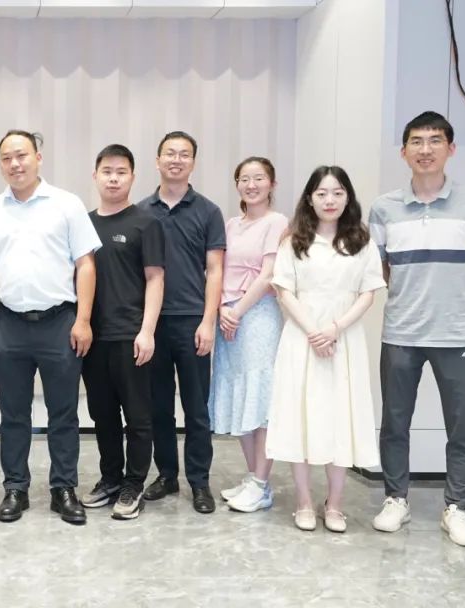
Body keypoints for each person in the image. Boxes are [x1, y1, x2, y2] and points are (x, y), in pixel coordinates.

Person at [369, 111, 465, 548]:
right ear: (403, 151)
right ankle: (396, 499)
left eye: (434, 141)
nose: (425, 149)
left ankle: (457, 508)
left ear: (450, 148)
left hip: (458, 335)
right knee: (394, 421)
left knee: (462, 426)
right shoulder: (384, 207)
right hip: (401, 333)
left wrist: (463, 300)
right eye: (416, 141)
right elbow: (380, 267)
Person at [0, 129, 102, 525]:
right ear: (1, 164)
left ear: (38, 158)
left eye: (22, 155)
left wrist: (83, 319)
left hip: (60, 323)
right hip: (9, 323)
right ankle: (15, 488)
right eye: (7, 158)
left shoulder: (66, 204)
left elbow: (86, 264)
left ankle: (63, 489)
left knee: (63, 412)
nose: (15, 164)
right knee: (13, 413)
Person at [266, 165, 387, 533]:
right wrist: (314, 331)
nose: (329, 200)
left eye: (337, 193)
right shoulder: (293, 241)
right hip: (301, 338)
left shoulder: (362, 241)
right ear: (309, 199)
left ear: (348, 197)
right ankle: (303, 501)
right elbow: (284, 291)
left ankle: (334, 504)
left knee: (341, 418)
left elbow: (368, 293)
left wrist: (334, 329)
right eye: (321, 193)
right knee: (299, 417)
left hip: (344, 340)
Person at [137, 131, 225, 514]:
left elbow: (215, 270)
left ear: (193, 162)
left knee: (196, 408)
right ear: (157, 161)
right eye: (169, 153)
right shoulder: (141, 211)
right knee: (157, 407)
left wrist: (208, 321)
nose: (176, 159)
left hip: (192, 323)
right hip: (152, 325)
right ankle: (167, 475)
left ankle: (199, 482)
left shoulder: (208, 211)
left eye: (184, 154)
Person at [80, 144, 165, 520]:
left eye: (121, 172)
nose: (113, 179)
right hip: (92, 337)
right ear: (95, 175)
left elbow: (155, 278)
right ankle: (111, 479)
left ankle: (134, 484)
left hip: (131, 335)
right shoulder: (83, 224)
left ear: (132, 177)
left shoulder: (146, 222)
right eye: (107, 171)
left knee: (138, 417)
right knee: (102, 415)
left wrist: (147, 331)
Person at [208, 157, 289, 514]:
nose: (251, 185)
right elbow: (217, 269)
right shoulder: (231, 224)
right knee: (238, 394)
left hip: (256, 315)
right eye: (244, 179)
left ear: (272, 184)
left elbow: (269, 274)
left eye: (258, 178)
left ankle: (261, 482)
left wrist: (237, 311)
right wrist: (221, 309)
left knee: (260, 396)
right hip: (227, 316)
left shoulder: (277, 222)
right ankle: (255, 478)